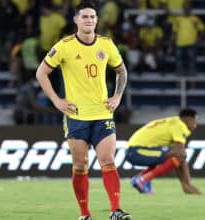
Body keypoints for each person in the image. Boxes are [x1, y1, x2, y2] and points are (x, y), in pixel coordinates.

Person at [35, 2, 131, 220]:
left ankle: (116, 210)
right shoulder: (64, 46)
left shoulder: (106, 44)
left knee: (108, 161)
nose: (89, 20)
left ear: (97, 20)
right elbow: (41, 73)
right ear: (76, 20)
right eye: (85, 17)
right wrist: (57, 101)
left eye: (93, 17)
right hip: (76, 115)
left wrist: (117, 96)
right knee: (81, 165)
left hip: (102, 113)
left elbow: (122, 72)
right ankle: (85, 214)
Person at [125, 108, 201, 195]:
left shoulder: (174, 122)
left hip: (135, 150)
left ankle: (142, 179)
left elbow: (179, 156)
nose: (195, 124)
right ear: (188, 119)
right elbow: (180, 153)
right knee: (178, 155)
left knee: (172, 157)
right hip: (137, 151)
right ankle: (143, 179)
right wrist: (187, 184)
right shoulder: (179, 125)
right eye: (194, 121)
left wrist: (186, 184)